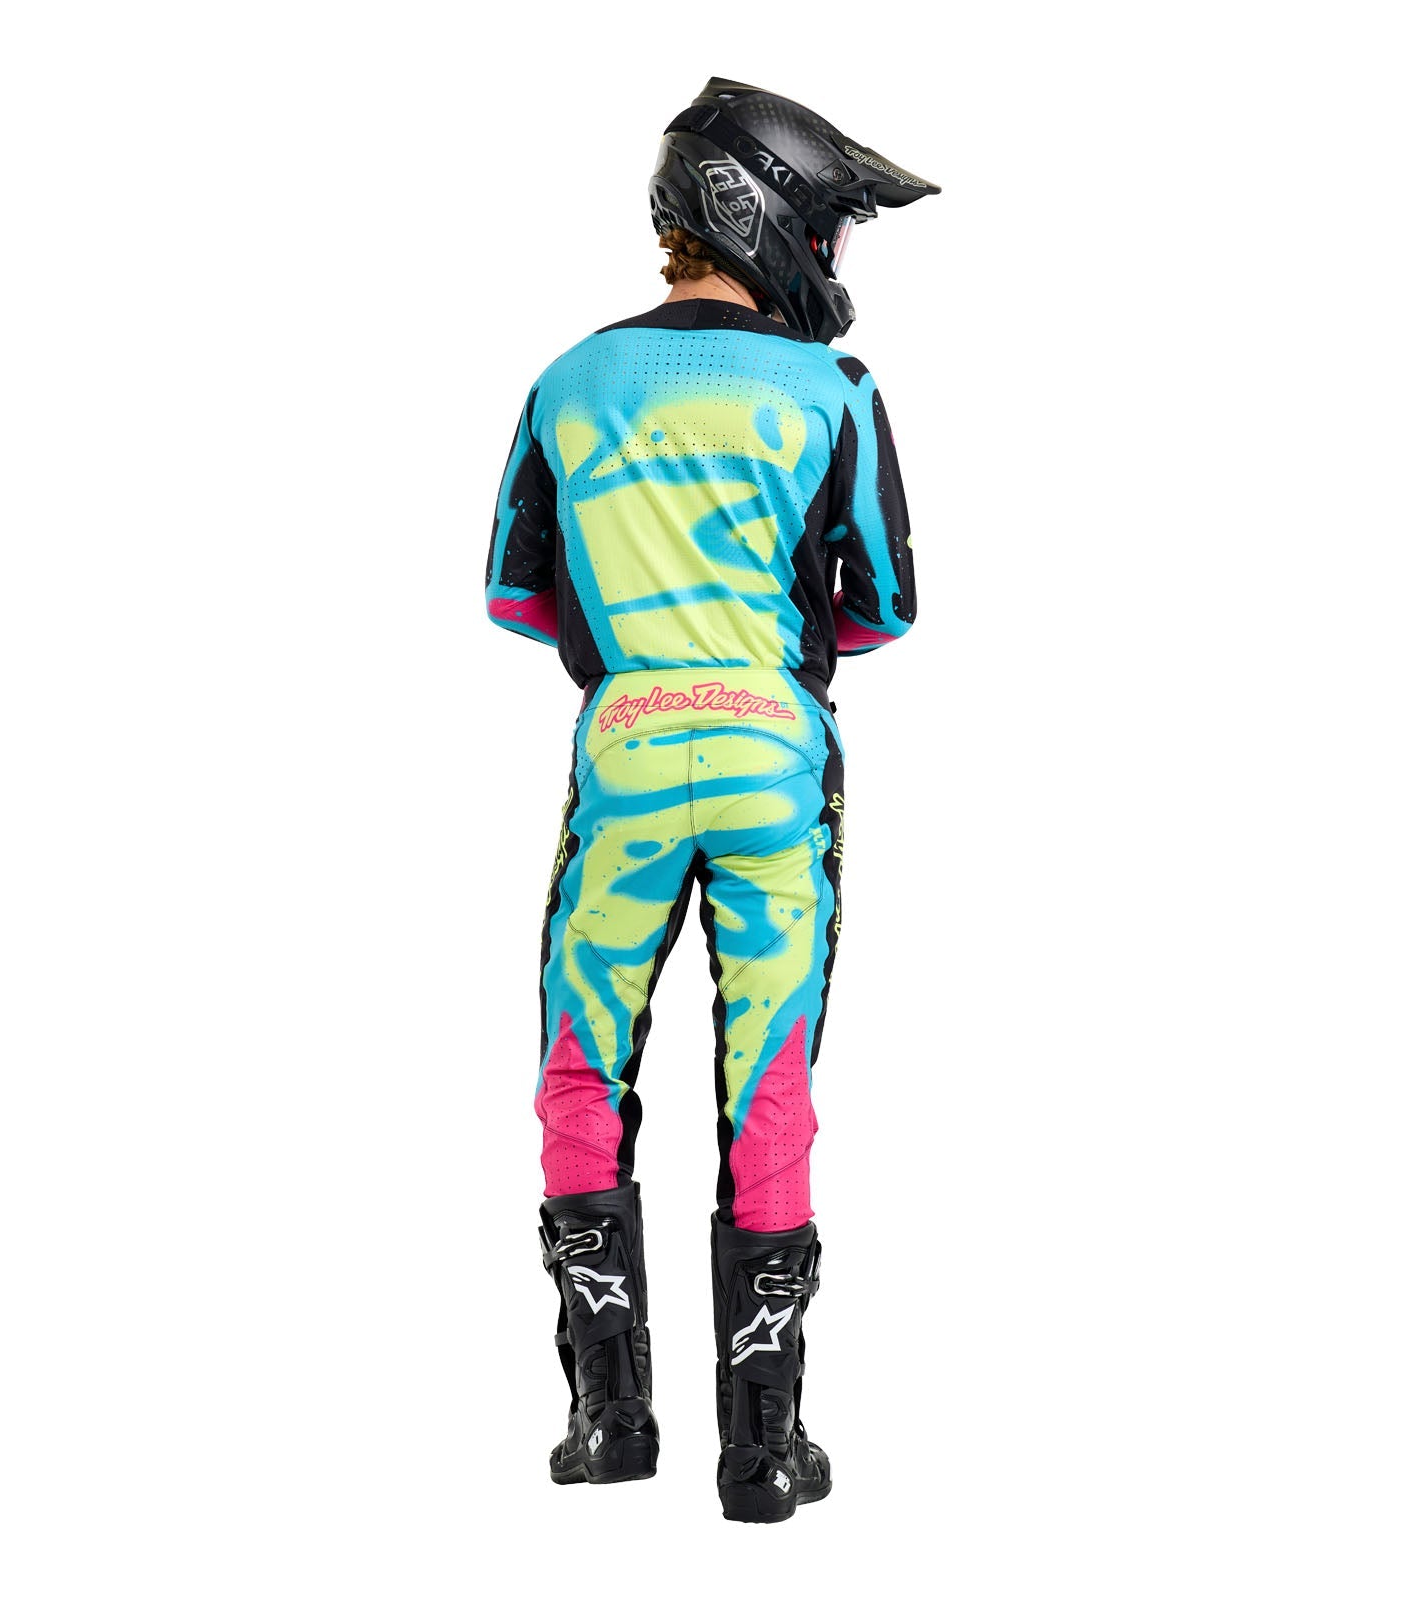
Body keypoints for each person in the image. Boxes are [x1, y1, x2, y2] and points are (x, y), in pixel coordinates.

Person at [485, 77, 938, 1523]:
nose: (839, 254)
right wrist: (766, 652)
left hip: (622, 756)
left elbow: (513, 594)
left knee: (581, 1062)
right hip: (773, 760)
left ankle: (608, 1418)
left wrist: (636, 649)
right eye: (833, 225)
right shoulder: (835, 392)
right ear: (765, 216)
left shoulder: (566, 381)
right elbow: (886, 607)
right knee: (772, 1077)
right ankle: (765, 1449)